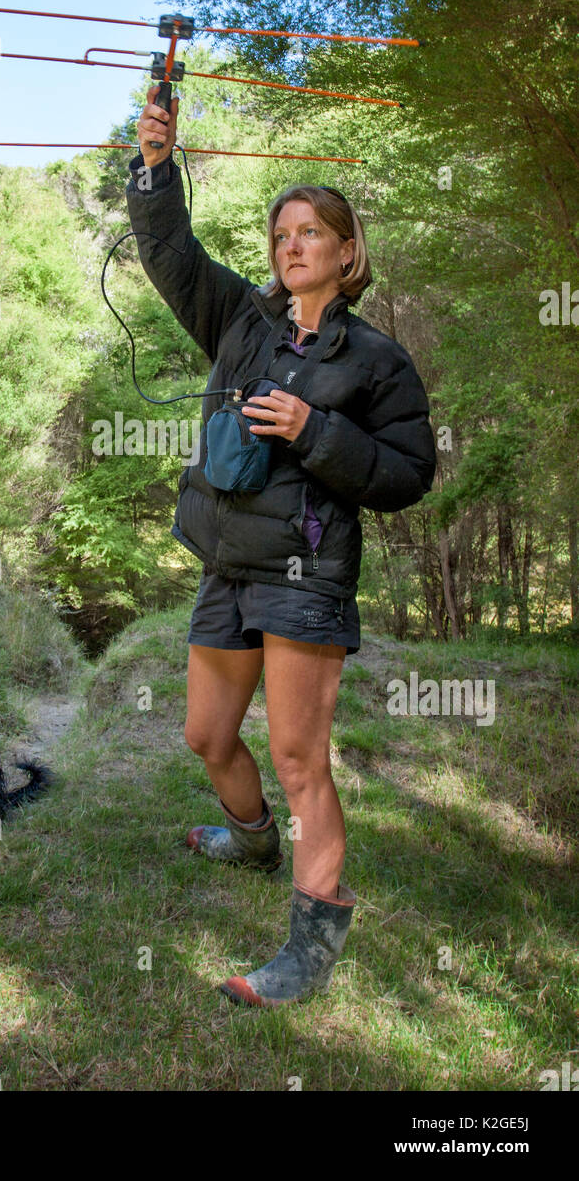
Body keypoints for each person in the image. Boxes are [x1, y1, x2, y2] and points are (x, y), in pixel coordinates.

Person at [125, 86, 437, 1008]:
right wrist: (154, 167)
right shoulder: (241, 323)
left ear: (347, 252)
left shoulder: (376, 361)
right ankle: (251, 838)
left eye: (310, 231)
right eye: (280, 233)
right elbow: (171, 254)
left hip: (306, 579)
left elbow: (408, 475)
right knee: (207, 736)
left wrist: (313, 429)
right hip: (229, 565)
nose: (290, 243)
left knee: (302, 760)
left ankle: (311, 942)